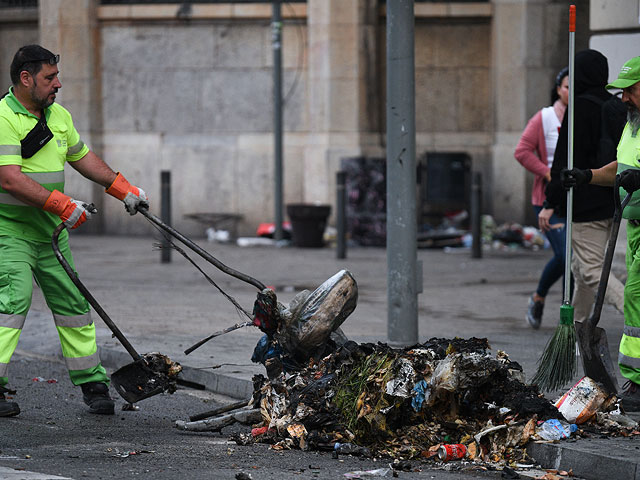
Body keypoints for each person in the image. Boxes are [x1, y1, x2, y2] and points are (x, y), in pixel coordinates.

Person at [0, 45, 149, 417]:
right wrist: (64, 206)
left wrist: (124, 189)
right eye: (50, 78)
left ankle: (93, 384)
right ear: (25, 78)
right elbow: (9, 180)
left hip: (51, 233)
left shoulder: (59, 117)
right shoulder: (4, 117)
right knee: (12, 303)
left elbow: (83, 158)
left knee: (73, 307)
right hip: (10, 231)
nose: (58, 84)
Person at [562, 56, 640, 410]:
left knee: (635, 297)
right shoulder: (633, 124)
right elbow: (621, 168)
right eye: (621, 91)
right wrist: (588, 175)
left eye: (630, 90)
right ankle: (637, 382)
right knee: (635, 302)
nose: (623, 98)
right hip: (636, 227)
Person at [539, 49, 625, 330]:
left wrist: (550, 201)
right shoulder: (616, 106)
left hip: (584, 203)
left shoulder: (579, 108)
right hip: (613, 200)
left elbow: (563, 161)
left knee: (590, 272)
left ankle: (632, 312)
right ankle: (571, 333)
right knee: (580, 268)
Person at [515, 67, 569, 329]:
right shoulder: (544, 118)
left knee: (573, 258)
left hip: (577, 199)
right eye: (567, 87)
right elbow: (522, 151)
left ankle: (571, 317)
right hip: (547, 199)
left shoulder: (584, 115)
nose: (571, 92)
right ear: (558, 89)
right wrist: (547, 172)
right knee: (564, 254)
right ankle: (538, 297)